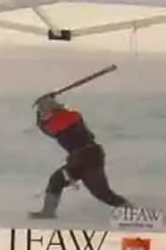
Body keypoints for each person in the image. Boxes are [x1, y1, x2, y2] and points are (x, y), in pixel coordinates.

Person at [31, 92, 137, 220]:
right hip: (78, 161)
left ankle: (134, 212)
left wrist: (46, 106)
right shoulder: (59, 121)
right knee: (56, 180)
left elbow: (49, 125)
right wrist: (43, 107)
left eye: (45, 111)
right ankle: (48, 212)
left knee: (102, 192)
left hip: (89, 158)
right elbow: (44, 127)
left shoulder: (69, 117)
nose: (44, 114)